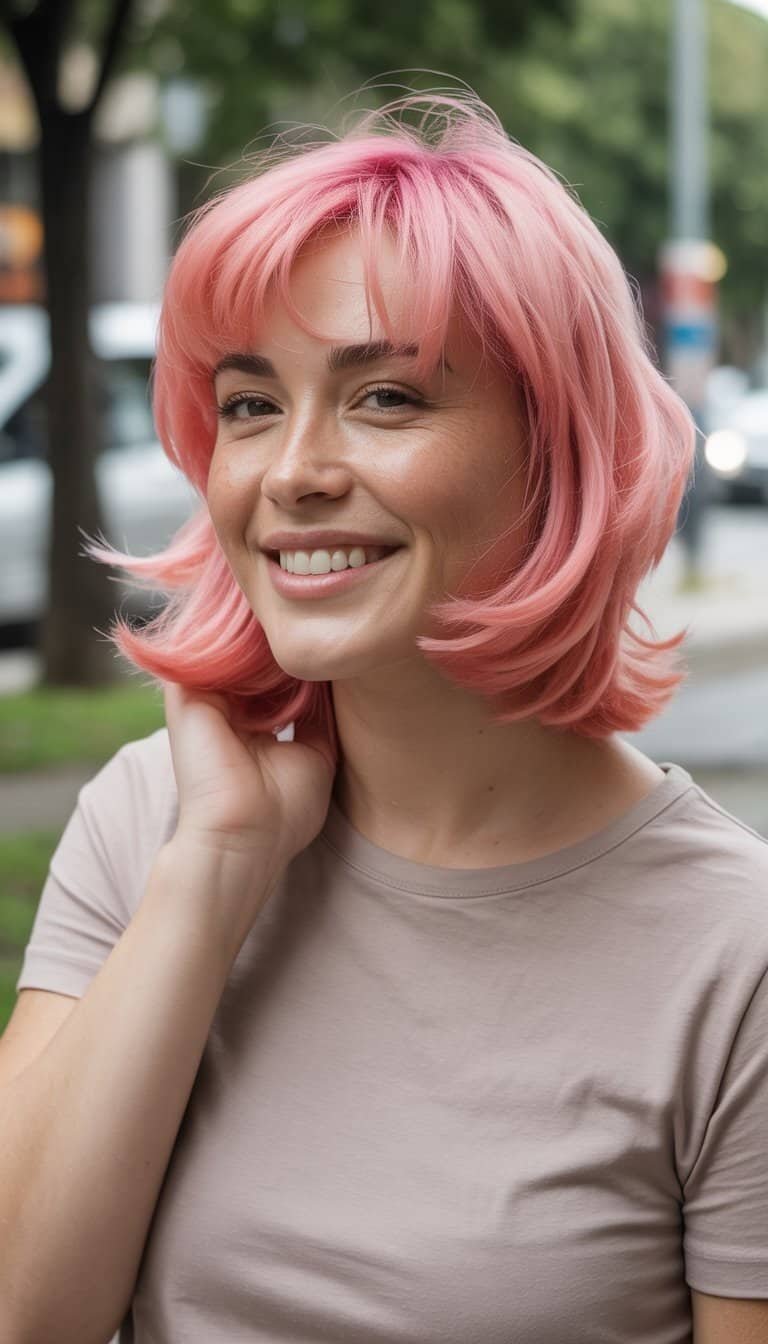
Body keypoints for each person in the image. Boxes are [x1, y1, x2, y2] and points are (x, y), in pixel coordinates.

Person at [2, 89, 767, 1344]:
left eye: (386, 399)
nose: (294, 470)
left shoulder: (736, 953)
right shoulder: (153, 822)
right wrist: (214, 874)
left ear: (553, 451)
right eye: (252, 404)